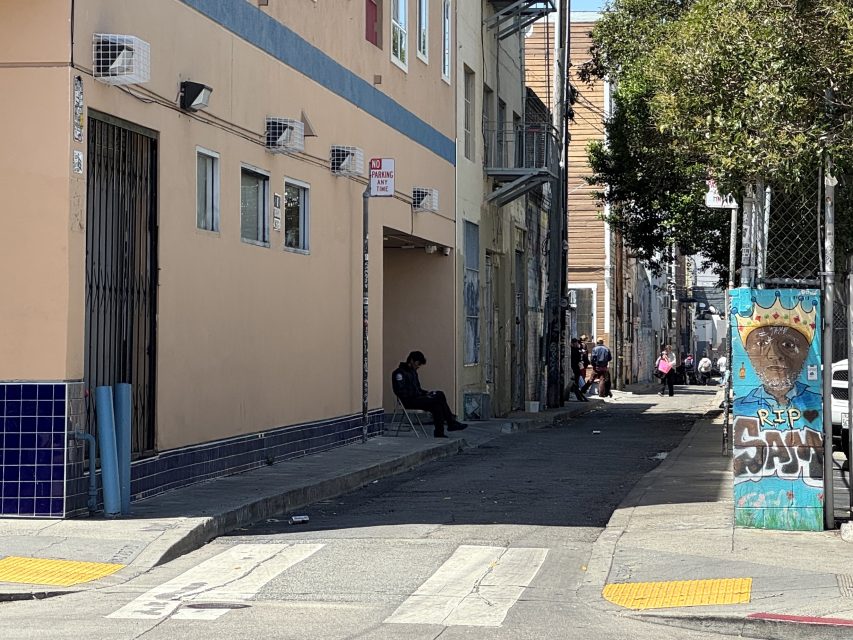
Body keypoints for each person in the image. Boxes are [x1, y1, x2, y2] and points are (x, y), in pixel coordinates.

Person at [391, 351, 467, 438]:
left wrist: (426, 393)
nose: (418, 366)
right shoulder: (399, 373)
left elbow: (418, 389)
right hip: (408, 401)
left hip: (417, 398)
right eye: (417, 363)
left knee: (437, 405)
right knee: (439, 395)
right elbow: (400, 392)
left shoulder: (413, 372)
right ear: (411, 361)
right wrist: (421, 395)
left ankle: (439, 433)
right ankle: (451, 423)